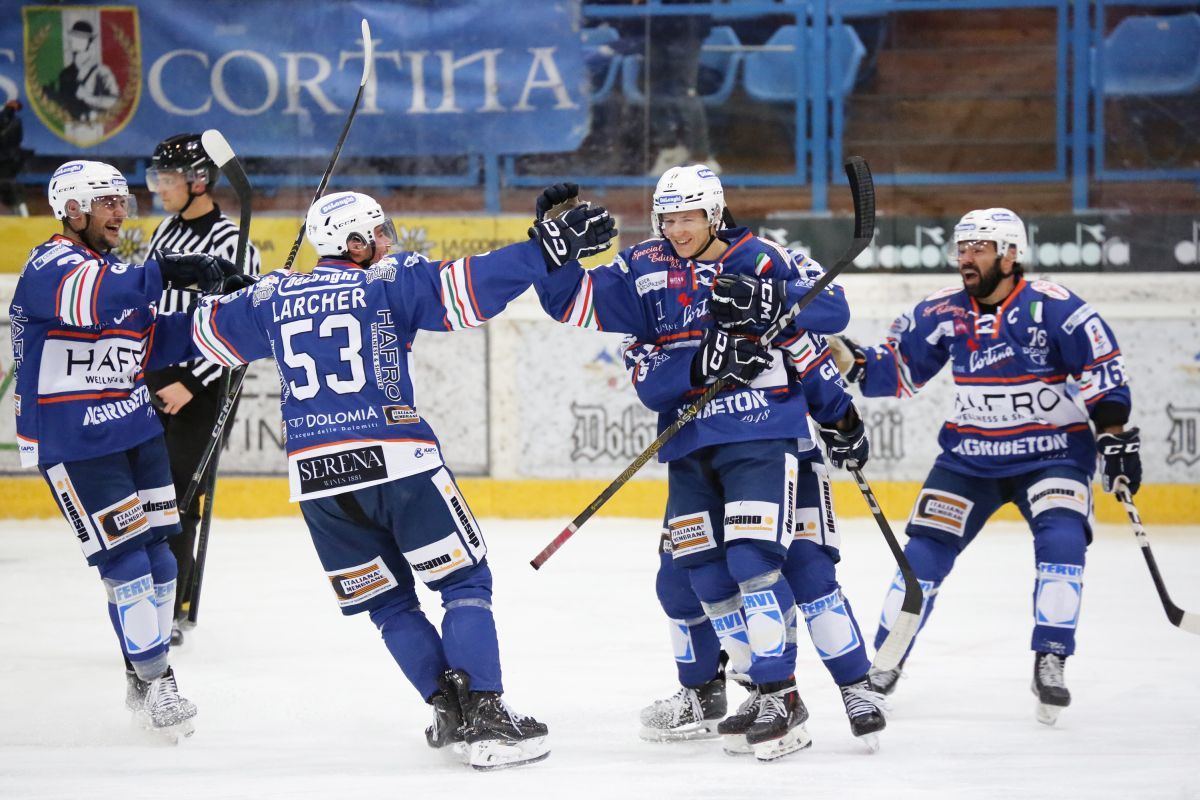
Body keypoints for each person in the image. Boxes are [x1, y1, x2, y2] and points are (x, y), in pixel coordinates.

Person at [188, 190, 616, 770]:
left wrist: (232, 295)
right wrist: (546, 248)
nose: (389, 239)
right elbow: (472, 284)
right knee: (464, 582)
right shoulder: (387, 279)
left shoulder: (273, 296)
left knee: (389, 605)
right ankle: (486, 716)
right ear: (356, 244)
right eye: (379, 231)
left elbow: (202, 335)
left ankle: (448, 707)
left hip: (316, 482)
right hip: (398, 465)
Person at [534, 165, 851, 761]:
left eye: (690, 217)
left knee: (762, 565)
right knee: (679, 581)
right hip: (692, 446)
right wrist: (553, 247)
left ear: (715, 213)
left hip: (762, 437)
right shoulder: (642, 266)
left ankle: (774, 692)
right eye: (668, 218)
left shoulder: (761, 256)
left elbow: (832, 308)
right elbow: (566, 303)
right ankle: (706, 694)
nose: (678, 230)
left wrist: (776, 300)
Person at [827, 208, 1141, 726]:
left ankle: (1052, 657)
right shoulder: (940, 312)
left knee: (1062, 537)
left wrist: (1114, 436)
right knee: (923, 553)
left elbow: (1103, 378)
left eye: (979, 248)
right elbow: (897, 372)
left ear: (1010, 254)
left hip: (1053, 455)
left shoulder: (1057, 309)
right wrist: (850, 360)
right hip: (970, 459)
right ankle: (883, 664)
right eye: (962, 248)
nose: (966, 258)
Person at [8, 160, 241, 740]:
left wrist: (243, 313)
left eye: (122, 201)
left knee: (162, 560)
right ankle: (157, 679)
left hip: (135, 430)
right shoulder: (51, 266)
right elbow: (103, 296)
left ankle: (145, 676)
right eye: (105, 201)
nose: (119, 211)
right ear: (72, 209)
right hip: (77, 441)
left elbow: (156, 334)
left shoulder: (113, 268)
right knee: (128, 564)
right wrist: (181, 268)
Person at [634, 329, 888, 753]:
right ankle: (729, 691)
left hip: (784, 449)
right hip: (702, 456)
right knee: (683, 584)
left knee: (806, 572)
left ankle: (851, 686)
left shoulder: (760, 276)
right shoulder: (660, 288)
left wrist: (841, 417)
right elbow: (652, 372)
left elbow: (820, 333)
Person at [143, 133, 263, 645]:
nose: (159, 188)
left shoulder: (233, 245)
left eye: (168, 179)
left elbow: (243, 329)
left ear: (199, 181)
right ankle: (147, 595)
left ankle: (170, 606)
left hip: (204, 388)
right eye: (158, 179)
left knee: (177, 494)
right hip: (153, 378)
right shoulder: (162, 235)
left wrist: (192, 381)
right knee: (149, 491)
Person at [0, 98, 29, 216]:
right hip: (8, 162)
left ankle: (21, 214)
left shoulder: (16, 122)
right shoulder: (15, 121)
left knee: (12, 192)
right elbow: (18, 139)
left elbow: (17, 140)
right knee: (12, 191)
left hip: (8, 163)